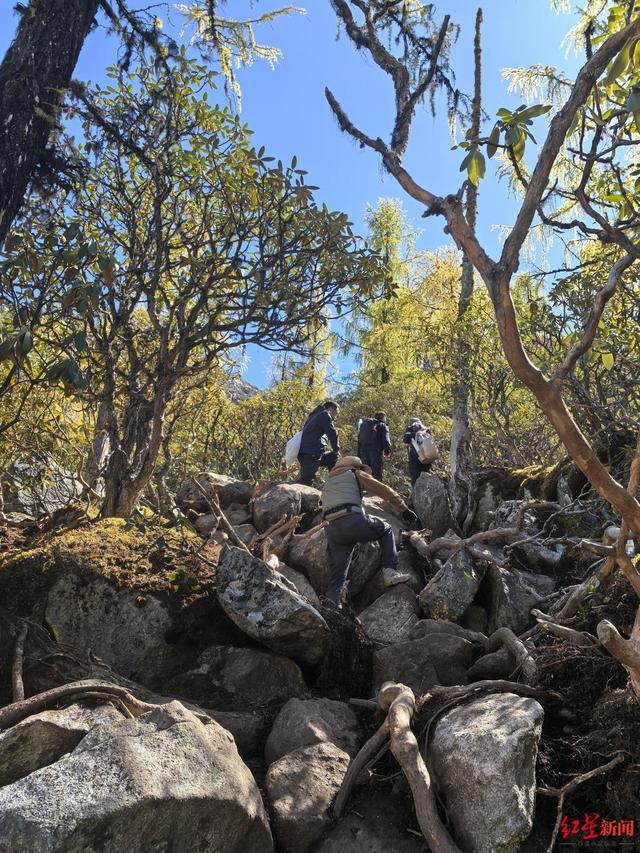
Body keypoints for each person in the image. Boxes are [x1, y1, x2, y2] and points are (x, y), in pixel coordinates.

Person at [320, 455, 417, 606]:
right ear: (357, 466)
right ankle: (390, 572)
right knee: (386, 529)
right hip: (352, 522)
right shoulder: (355, 473)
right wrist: (404, 509)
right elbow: (384, 490)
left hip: (332, 530)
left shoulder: (328, 482)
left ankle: (331, 608)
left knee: (337, 577)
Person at [297, 400, 341, 486]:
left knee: (333, 457)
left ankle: (334, 485)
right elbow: (332, 433)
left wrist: (335, 452)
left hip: (310, 452)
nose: (335, 417)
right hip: (310, 453)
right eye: (335, 413)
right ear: (331, 409)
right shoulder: (325, 414)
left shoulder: (314, 415)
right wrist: (337, 449)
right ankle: (288, 491)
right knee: (306, 481)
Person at [357, 411, 392, 482]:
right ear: (383, 418)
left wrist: (359, 455)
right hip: (376, 453)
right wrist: (387, 453)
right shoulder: (383, 425)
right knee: (377, 476)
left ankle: (365, 489)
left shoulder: (364, 425)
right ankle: (377, 489)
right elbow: (386, 440)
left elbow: (359, 440)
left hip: (363, 453)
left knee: (365, 475)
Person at [403, 417, 433, 486]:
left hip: (415, 457)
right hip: (428, 456)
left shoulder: (411, 429)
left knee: (415, 477)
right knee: (426, 475)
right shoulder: (426, 429)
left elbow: (406, 441)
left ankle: (416, 491)